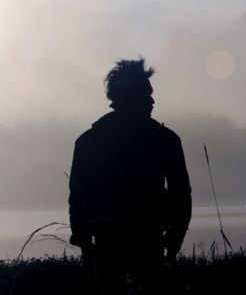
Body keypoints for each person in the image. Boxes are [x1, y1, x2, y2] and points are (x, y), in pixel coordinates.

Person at [68, 58, 192, 294]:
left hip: (114, 243)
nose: (152, 101)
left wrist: (84, 240)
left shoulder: (88, 142)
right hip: (145, 242)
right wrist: (176, 237)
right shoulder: (165, 139)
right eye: (146, 94)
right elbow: (181, 195)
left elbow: (78, 197)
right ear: (131, 96)